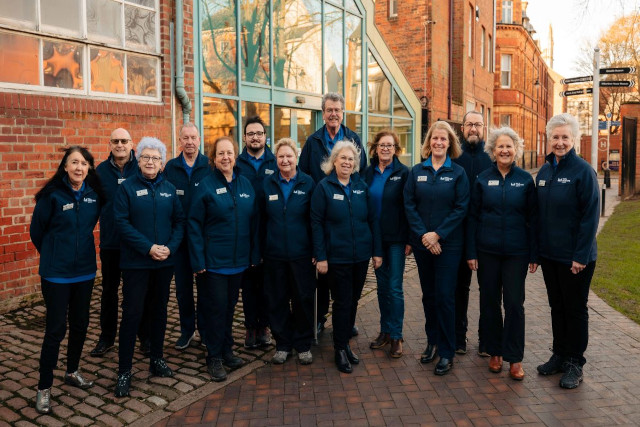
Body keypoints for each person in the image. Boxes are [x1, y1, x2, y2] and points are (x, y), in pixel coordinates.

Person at [30, 146, 104, 414]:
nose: (79, 168)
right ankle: (44, 387)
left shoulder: (94, 196)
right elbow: (36, 231)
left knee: (81, 323)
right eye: (74, 162)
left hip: (84, 271)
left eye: (84, 164)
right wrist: (54, 253)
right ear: (65, 166)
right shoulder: (51, 195)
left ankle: (72, 371)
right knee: (55, 329)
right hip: (56, 274)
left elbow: (91, 224)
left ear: (88, 168)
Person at [113, 137, 185, 397]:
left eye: (156, 158)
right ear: (139, 159)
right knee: (132, 315)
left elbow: (179, 222)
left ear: (162, 163)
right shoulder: (127, 189)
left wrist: (170, 248)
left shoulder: (169, 188)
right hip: (136, 264)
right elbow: (121, 223)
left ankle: (156, 359)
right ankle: (124, 370)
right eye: (146, 157)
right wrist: (148, 247)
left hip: (164, 263)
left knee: (160, 312)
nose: (151, 162)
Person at [466, 127, 538, 381]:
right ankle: (494, 351)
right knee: (489, 303)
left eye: (509, 146)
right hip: (487, 252)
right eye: (500, 147)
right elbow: (473, 217)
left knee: (514, 305)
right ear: (493, 151)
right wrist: (471, 252)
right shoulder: (483, 179)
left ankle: (515, 358)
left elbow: (533, 218)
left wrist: (533, 254)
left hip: (517, 253)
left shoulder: (525, 180)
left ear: (516, 149)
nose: (505, 150)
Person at [535, 113, 599, 389]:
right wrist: (536, 252)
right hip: (550, 256)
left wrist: (580, 256)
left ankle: (575, 362)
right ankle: (559, 354)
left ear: (574, 139)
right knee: (556, 307)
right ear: (549, 139)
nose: (560, 142)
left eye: (565, 137)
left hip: (575, 258)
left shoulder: (583, 171)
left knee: (575, 309)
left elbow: (590, 217)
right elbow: (538, 215)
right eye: (555, 137)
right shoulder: (545, 171)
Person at [188, 136, 259, 382]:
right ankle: (214, 356)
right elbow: (194, 225)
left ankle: (227, 350)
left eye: (229, 153)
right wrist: (198, 261)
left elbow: (254, 223)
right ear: (214, 158)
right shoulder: (205, 186)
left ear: (236, 156)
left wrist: (253, 254)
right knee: (215, 310)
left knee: (229, 309)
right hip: (214, 263)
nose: (226, 157)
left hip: (239, 262)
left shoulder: (246, 185)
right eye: (221, 154)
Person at [310, 140, 382, 374]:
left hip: (360, 256)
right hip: (336, 258)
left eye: (351, 159)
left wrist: (376, 251)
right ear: (334, 161)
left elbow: (372, 220)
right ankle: (339, 349)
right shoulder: (324, 187)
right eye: (343, 158)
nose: (347, 162)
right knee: (341, 303)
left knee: (352, 302)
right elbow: (317, 223)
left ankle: (345, 344)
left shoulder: (360, 186)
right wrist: (320, 256)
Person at [404, 121, 469, 376]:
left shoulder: (458, 173)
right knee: (428, 296)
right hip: (423, 245)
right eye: (434, 138)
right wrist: (424, 236)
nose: (438, 143)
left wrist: (438, 235)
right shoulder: (417, 171)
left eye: (443, 139)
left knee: (444, 297)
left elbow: (461, 207)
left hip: (448, 246)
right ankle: (432, 342)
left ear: (450, 143)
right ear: (428, 142)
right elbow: (409, 204)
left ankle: (447, 351)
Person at [300, 92, 366, 336]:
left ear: (342, 112)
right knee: (322, 276)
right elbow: (304, 175)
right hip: (321, 214)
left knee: (344, 278)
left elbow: (362, 172)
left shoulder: (353, 139)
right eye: (329, 110)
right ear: (323, 112)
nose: (333, 114)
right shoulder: (313, 141)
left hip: (344, 216)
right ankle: (320, 318)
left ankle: (346, 318)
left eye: (337, 110)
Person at [91, 128, 152, 358]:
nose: (120, 145)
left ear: (131, 143)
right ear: (110, 144)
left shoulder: (141, 167)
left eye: (124, 141)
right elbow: (95, 205)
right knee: (109, 292)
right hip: (111, 243)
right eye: (115, 141)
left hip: (137, 244)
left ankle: (144, 337)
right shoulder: (101, 171)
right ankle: (106, 338)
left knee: (137, 293)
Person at [262, 138, 316, 365]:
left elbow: (315, 220)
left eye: (289, 156)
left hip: (302, 254)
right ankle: (282, 344)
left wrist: (316, 250)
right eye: (281, 156)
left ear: (296, 157)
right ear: (276, 160)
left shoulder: (308, 183)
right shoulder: (267, 184)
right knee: (277, 300)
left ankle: (303, 344)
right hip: (274, 255)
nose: (285, 160)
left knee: (303, 300)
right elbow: (260, 220)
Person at [164, 123, 212, 350]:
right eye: (186, 138)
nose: (190, 142)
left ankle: (204, 330)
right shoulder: (171, 168)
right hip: (180, 239)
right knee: (183, 288)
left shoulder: (209, 165)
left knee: (205, 288)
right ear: (180, 140)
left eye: (194, 137)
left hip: (204, 239)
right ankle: (187, 330)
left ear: (199, 140)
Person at [363, 130, 410, 358]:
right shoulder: (368, 173)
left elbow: (409, 207)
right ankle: (384, 332)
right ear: (375, 148)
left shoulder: (403, 173)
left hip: (396, 239)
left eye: (390, 145)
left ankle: (397, 335)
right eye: (382, 145)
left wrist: (410, 238)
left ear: (396, 149)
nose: (385, 149)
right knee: (382, 288)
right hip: (375, 239)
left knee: (394, 287)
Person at [452, 111, 492, 356]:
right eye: (469, 124)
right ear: (463, 128)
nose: (474, 129)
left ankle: (486, 341)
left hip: (487, 234)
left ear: (484, 127)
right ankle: (459, 338)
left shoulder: (493, 155)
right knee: (460, 289)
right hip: (458, 233)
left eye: (478, 124)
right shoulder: (454, 156)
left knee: (488, 289)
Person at [235, 116, 276, 348]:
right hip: (246, 231)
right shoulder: (237, 163)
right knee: (249, 284)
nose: (255, 137)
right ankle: (251, 327)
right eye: (250, 133)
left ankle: (265, 326)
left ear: (264, 136)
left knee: (268, 284)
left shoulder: (275, 161)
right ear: (244, 137)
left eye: (259, 133)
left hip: (271, 230)